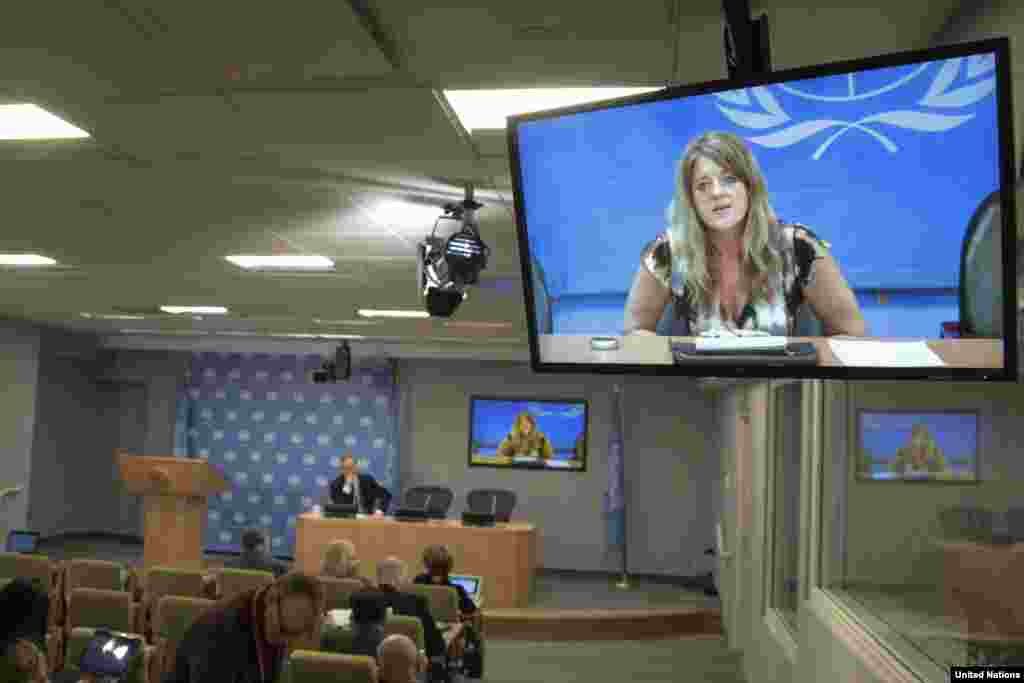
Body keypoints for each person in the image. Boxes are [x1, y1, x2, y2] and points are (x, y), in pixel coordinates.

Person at [624, 131, 866, 338]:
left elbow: (851, 336)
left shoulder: (799, 247)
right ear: (691, 200)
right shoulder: (667, 252)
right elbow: (634, 336)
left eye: (729, 179)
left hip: (784, 387)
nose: (717, 193)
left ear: (750, 187)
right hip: (699, 388)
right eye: (703, 185)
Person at [163, 572, 325, 683]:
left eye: (295, 634)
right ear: (271, 599)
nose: (286, 640)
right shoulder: (221, 633)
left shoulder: (269, 615)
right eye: (283, 630)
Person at [361, 557, 447, 661]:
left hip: (372, 663)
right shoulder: (416, 603)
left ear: (378, 577)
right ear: (400, 579)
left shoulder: (363, 601)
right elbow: (437, 646)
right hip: (410, 666)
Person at [413, 545, 476, 616]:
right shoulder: (455, 590)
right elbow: (470, 609)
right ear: (448, 568)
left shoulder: (418, 581)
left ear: (427, 565)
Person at [224, 528, 289, 578]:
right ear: (260, 545)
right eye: (267, 543)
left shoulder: (228, 565)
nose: (269, 546)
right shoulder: (279, 567)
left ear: (243, 545)